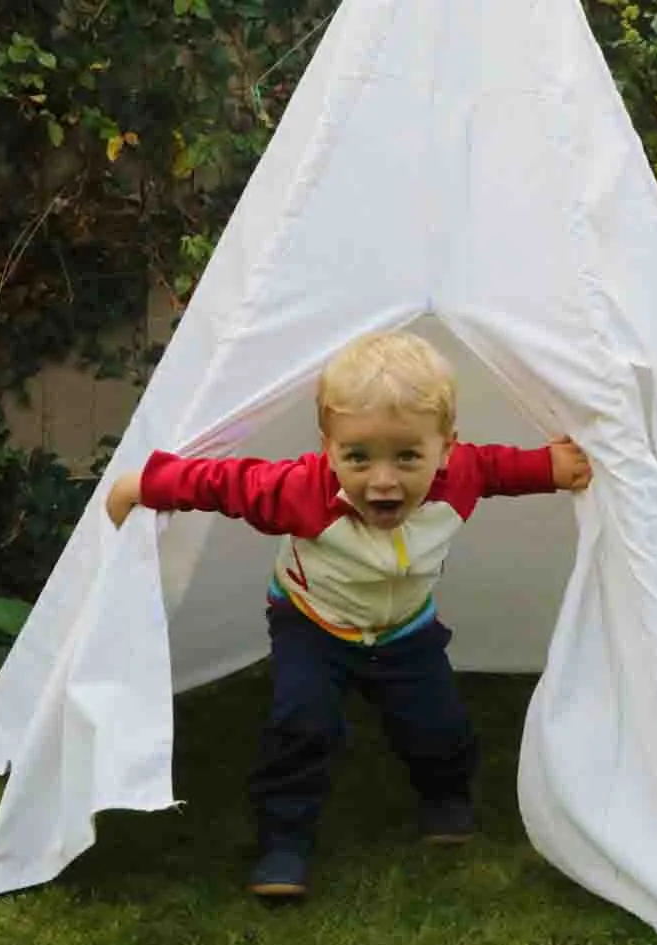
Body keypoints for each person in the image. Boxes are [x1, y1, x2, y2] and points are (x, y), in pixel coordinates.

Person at [106, 329, 592, 898]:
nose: (381, 480)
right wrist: (145, 484)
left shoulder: (462, 474)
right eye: (357, 457)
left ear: (446, 448)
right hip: (312, 623)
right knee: (303, 723)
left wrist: (551, 467)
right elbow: (222, 484)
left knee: (439, 725)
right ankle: (284, 837)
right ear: (327, 447)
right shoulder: (299, 490)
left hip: (405, 627)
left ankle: (445, 795)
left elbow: (501, 468)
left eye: (407, 456)